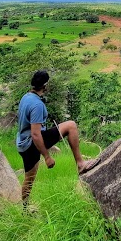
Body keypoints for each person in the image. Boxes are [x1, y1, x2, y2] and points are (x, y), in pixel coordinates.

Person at [16, 69, 99, 203]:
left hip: (22, 144)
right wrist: (47, 157)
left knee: (29, 178)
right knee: (71, 125)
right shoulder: (37, 105)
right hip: (32, 142)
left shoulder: (26, 97)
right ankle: (80, 163)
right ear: (45, 85)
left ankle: (25, 209)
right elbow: (36, 134)